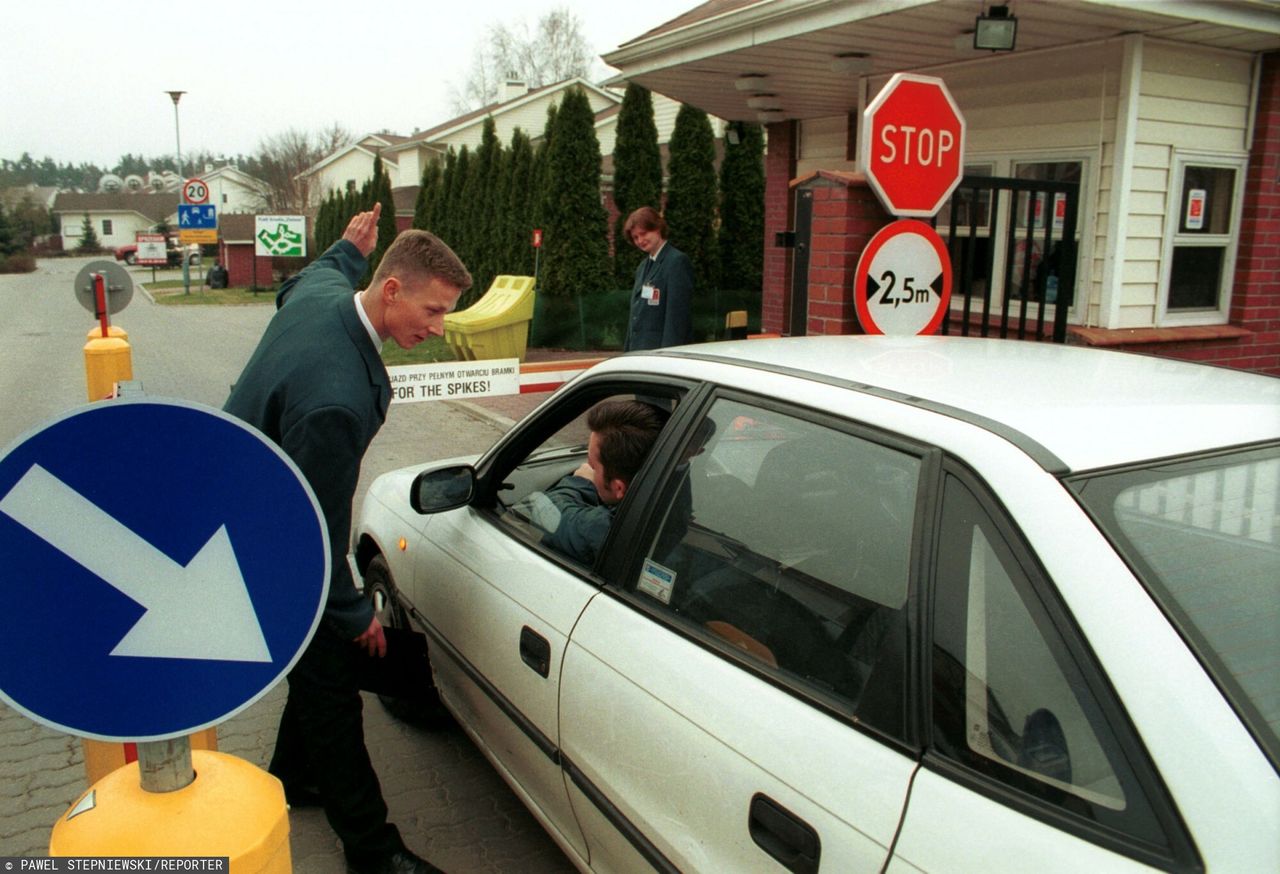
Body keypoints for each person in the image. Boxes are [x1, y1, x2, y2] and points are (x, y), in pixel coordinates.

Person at [224, 203, 471, 874]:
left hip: (250, 490)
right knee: (331, 680)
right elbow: (317, 524)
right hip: (265, 533)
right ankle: (372, 850)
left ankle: (293, 777)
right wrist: (351, 609)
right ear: (392, 291)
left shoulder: (327, 292)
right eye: (433, 310)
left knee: (317, 673)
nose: (438, 327)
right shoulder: (336, 396)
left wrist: (346, 248)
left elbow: (306, 279)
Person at [526, 400, 664, 564]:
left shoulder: (606, 529)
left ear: (618, 487)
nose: (587, 466)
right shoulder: (672, 490)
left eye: (593, 466)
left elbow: (543, 510)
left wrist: (580, 481)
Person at [623, 206, 694, 351]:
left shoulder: (676, 262)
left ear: (657, 228)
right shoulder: (642, 267)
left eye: (643, 234)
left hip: (659, 356)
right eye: (635, 237)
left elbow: (676, 319)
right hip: (639, 353)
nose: (640, 240)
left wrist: (667, 356)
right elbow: (634, 318)